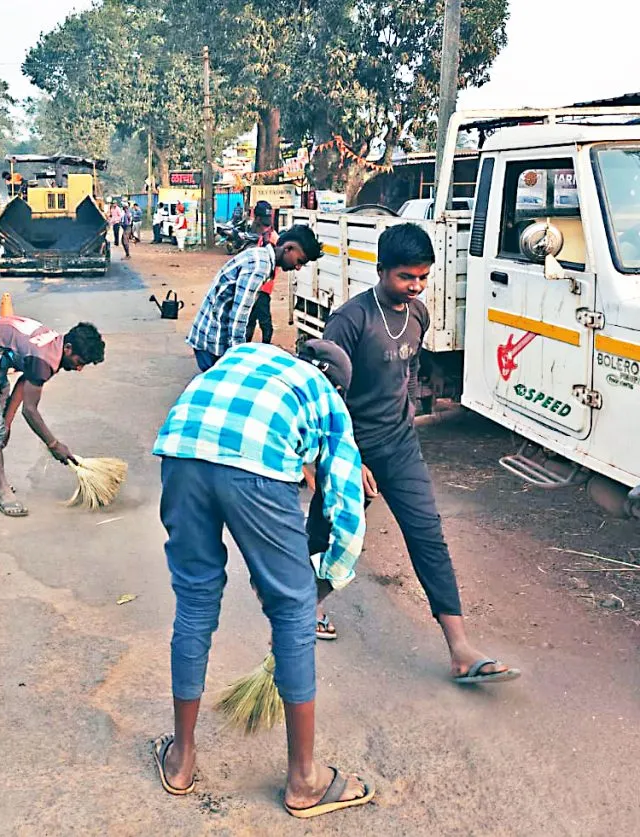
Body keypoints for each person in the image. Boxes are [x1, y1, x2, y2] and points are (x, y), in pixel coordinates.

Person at [151, 339, 374, 819]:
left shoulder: (250, 355)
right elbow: (347, 511)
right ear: (339, 385)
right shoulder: (328, 398)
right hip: (254, 464)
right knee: (294, 613)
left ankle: (181, 760)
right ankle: (305, 781)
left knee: (194, 599)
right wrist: (324, 579)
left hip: (181, 448)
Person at [309, 223, 521, 685]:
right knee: (332, 528)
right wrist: (350, 459)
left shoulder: (419, 314)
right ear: (381, 269)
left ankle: (460, 649)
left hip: (401, 445)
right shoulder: (349, 321)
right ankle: (308, 608)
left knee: (428, 535)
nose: (416, 286)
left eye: (423, 276)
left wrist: (416, 400)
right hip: (352, 446)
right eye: (406, 277)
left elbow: (408, 369)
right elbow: (325, 398)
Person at [0, 316, 105, 517]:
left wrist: (7, 423)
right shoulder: (43, 359)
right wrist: (53, 445)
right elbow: (30, 410)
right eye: (80, 362)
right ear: (68, 348)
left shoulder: (54, 347)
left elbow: (25, 380)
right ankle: (3, 492)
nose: (79, 369)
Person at [187, 225, 321, 372]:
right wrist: (237, 359)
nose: (298, 267)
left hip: (210, 336)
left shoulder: (260, 255)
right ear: (288, 248)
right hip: (213, 342)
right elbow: (239, 315)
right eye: (299, 261)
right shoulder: (260, 266)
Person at [245, 200, 278, 344]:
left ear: (256, 218)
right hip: (264, 286)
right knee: (253, 319)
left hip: (262, 286)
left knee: (260, 320)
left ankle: (264, 346)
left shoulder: (268, 238)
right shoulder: (271, 235)